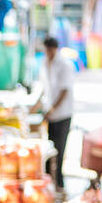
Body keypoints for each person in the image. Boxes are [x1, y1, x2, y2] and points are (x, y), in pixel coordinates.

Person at [32, 36, 75, 195]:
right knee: (50, 149)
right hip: (50, 114)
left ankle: (59, 183)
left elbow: (65, 90)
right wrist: (37, 106)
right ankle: (51, 182)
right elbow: (44, 88)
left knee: (60, 149)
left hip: (63, 113)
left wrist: (52, 108)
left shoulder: (65, 65)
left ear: (54, 49)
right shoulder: (44, 63)